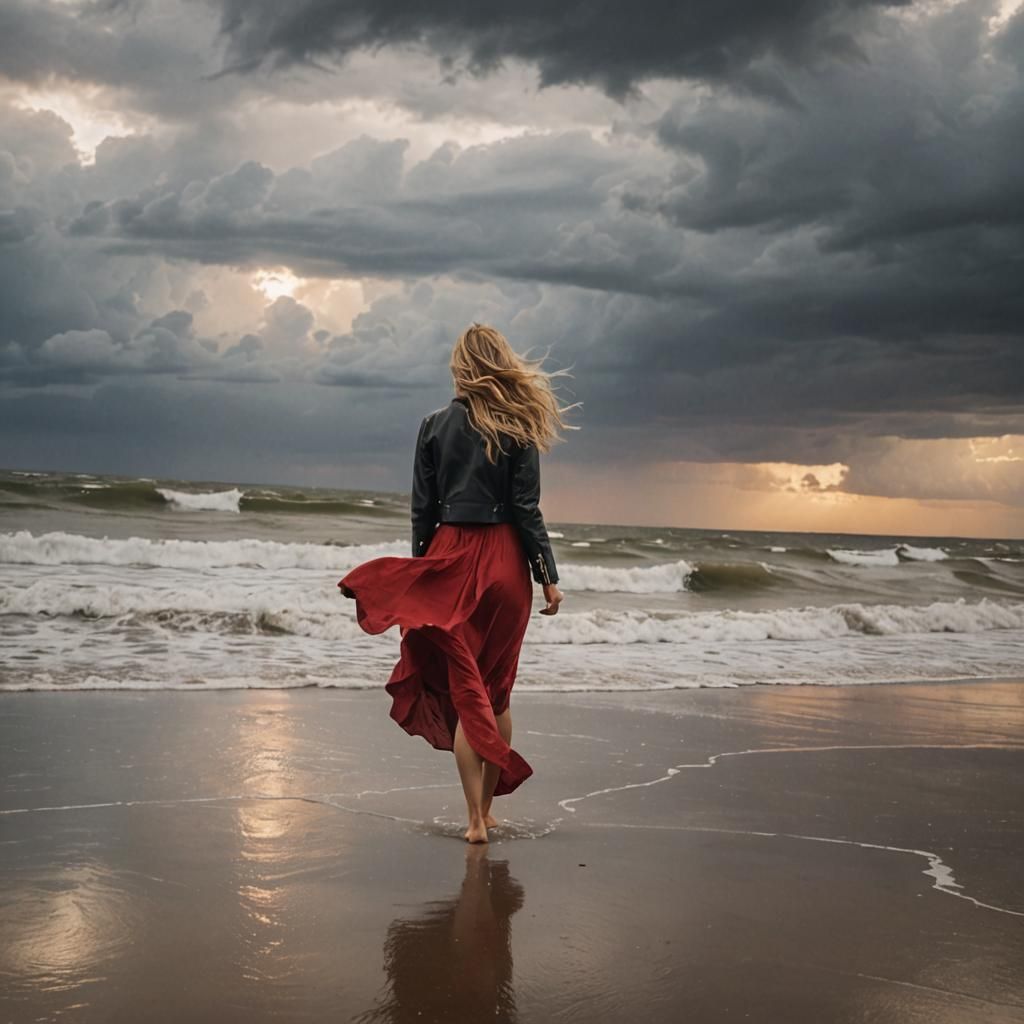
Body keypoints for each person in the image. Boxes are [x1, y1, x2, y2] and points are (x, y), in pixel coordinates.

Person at [338, 323, 576, 843]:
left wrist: (423, 575)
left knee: (467, 689)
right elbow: (527, 509)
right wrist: (548, 576)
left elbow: (421, 512)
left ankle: (472, 821)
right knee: (497, 694)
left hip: (451, 560)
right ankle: (489, 811)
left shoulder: (432, 426)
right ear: (501, 363)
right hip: (507, 566)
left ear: (460, 367)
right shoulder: (518, 426)